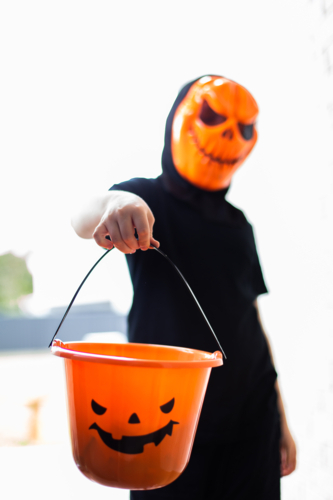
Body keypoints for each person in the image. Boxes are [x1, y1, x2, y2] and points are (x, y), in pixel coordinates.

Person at [71, 75, 296, 499]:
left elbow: (252, 320)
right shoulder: (146, 200)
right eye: (213, 118)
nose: (229, 135)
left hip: (251, 418)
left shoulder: (238, 225)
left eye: (243, 128)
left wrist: (281, 420)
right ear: (180, 118)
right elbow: (84, 217)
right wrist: (117, 206)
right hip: (162, 419)